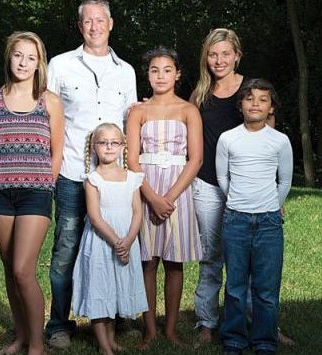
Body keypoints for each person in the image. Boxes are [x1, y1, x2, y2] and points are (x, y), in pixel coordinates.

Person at [190, 28, 294, 347]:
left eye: (225, 53)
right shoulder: (199, 93)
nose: (219, 60)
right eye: (212, 53)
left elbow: (269, 144)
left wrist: (270, 196)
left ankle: (260, 324)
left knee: (253, 263)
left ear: (237, 54)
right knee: (212, 258)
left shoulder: (251, 91)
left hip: (251, 193)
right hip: (209, 184)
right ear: (206, 58)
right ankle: (207, 323)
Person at [44, 0, 138, 349]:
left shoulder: (125, 71)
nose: (94, 26)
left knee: (116, 245)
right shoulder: (61, 65)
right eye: (88, 21)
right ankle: (59, 324)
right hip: (72, 173)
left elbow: (131, 123)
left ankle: (117, 315)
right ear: (79, 25)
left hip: (113, 179)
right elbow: (49, 117)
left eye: (100, 20)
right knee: (66, 249)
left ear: (111, 24)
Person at [0, 31, 64, 355]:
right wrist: (4, 172)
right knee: (8, 269)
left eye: (31, 57)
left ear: (39, 62)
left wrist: (47, 183)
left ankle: (37, 346)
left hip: (36, 194)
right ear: (9, 57)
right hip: (0, 193)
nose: (24, 62)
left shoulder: (50, 101)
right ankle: (20, 336)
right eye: (18, 55)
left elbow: (56, 151)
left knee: (22, 270)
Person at [126, 46, 203, 348]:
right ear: (147, 75)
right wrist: (151, 197)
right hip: (145, 188)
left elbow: (195, 159)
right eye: (154, 70)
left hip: (177, 190)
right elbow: (132, 159)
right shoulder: (138, 112)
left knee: (174, 261)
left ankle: (170, 329)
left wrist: (168, 197)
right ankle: (150, 330)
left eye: (167, 70)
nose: (160, 75)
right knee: (148, 260)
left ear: (178, 74)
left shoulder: (188, 110)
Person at [216, 78, 293, 355]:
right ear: (241, 105)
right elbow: (223, 177)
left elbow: (284, 181)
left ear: (271, 107)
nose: (255, 104)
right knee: (235, 285)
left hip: (269, 223)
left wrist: (273, 204)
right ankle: (234, 340)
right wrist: (237, 201)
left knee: (266, 288)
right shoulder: (229, 138)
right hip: (235, 219)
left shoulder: (280, 141)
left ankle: (264, 341)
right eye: (250, 99)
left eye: (263, 99)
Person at [72, 122, 148, 355]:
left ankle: (112, 339)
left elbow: (137, 212)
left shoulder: (132, 177)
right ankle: (104, 346)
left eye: (114, 142)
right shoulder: (92, 179)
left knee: (115, 289)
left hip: (127, 240)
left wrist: (128, 240)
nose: (109, 147)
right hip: (101, 242)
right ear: (94, 147)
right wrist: (116, 242)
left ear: (123, 146)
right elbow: (94, 217)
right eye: (103, 142)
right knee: (100, 287)